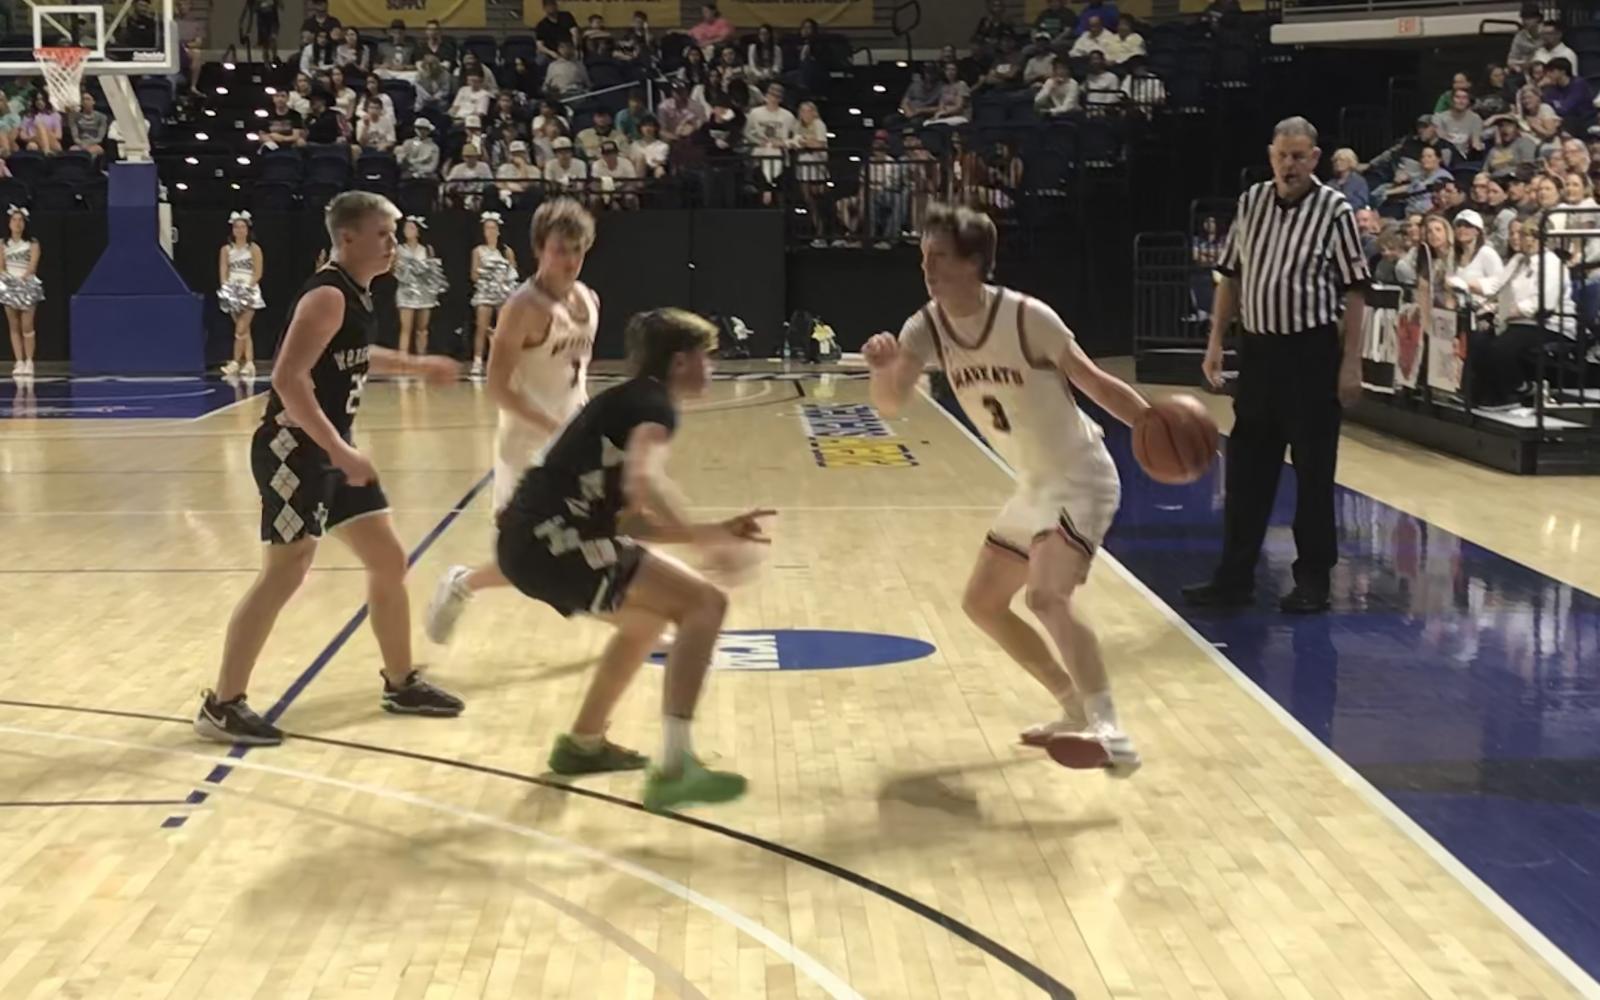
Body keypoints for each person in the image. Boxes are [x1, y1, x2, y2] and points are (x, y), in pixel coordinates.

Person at [862, 202, 1149, 774]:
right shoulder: (926, 326)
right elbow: (890, 404)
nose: (927, 269)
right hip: (1035, 486)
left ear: (974, 262)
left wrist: (1151, 423)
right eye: (924, 257)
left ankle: (1110, 731)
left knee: (1046, 597)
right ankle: (1071, 706)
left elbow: (1093, 382)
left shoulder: (1026, 317)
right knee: (983, 603)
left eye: (940, 257)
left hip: (1081, 476)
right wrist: (882, 369)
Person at [194, 192, 465, 746]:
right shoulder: (327, 294)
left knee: (387, 558)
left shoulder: (355, 295)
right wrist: (339, 451)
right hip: (292, 450)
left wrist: (415, 365)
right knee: (285, 572)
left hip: (328, 449)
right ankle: (222, 705)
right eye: (383, 234)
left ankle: (400, 682)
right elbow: (287, 378)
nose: (393, 244)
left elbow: (354, 355)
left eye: (394, 235)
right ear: (348, 237)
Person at [495, 306, 768, 810]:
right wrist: (707, 541)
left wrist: (706, 533)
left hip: (530, 541)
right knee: (705, 604)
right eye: (706, 356)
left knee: (645, 622)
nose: (711, 366)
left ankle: (583, 743)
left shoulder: (628, 399)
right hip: (557, 541)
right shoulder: (654, 407)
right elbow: (643, 483)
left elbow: (634, 516)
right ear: (681, 362)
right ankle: (676, 768)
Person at [1189, 117, 1369, 614]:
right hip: (1259, 353)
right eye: (1282, 155)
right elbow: (1229, 276)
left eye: (1299, 156)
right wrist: (1215, 342)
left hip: (1312, 354)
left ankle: (1313, 580)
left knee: (1313, 474)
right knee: (1247, 473)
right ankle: (1234, 578)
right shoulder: (1251, 202)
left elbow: (1356, 291)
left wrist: (1351, 362)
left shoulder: (1335, 210)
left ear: (1315, 159)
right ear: (1271, 155)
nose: (1289, 165)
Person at [427, 199, 600, 643]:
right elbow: (498, 387)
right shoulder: (523, 306)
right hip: (529, 447)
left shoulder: (589, 299)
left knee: (599, 538)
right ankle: (463, 583)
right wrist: (555, 429)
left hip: (574, 443)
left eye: (577, 250)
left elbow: (573, 377)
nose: (570, 260)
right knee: (530, 558)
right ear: (539, 249)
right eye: (560, 250)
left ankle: (637, 626)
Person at [469, 210, 519, 376]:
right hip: (485, 292)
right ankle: (477, 361)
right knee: (482, 327)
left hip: (503, 293)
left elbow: (513, 272)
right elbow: (474, 275)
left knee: (504, 329)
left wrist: (503, 280)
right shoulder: (478, 251)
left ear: (498, 231)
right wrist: (487, 276)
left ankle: (504, 362)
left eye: (493, 228)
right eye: (487, 228)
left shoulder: (506, 251)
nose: (490, 231)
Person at [218, 211, 266, 380]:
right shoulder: (226, 250)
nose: (239, 230)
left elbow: (258, 272)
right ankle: (249, 363)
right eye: (236, 227)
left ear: (248, 229)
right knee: (244, 330)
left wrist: (247, 288)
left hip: (249, 290)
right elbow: (223, 270)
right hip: (232, 291)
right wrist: (226, 289)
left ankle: (235, 362)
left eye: (242, 227)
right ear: (232, 230)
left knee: (240, 329)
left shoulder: (254, 249)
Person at [394, 216, 444, 357]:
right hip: (406, 291)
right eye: (406, 228)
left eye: (411, 228)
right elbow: (393, 269)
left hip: (424, 292)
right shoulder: (399, 249)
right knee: (406, 328)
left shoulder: (427, 249)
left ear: (418, 231)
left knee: (422, 329)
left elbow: (434, 271)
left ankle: (421, 358)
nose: (408, 231)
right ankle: (403, 359)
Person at [2, 206, 41, 378]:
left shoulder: (32, 243)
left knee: (27, 325)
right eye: (14, 220)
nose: (17, 223)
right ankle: (19, 361)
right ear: (9, 223)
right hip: (9, 286)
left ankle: (29, 361)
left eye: (20, 220)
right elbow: (1, 266)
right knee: (14, 325)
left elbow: (32, 266)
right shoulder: (3, 244)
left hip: (27, 286)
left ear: (25, 224)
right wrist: (9, 281)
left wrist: (22, 280)